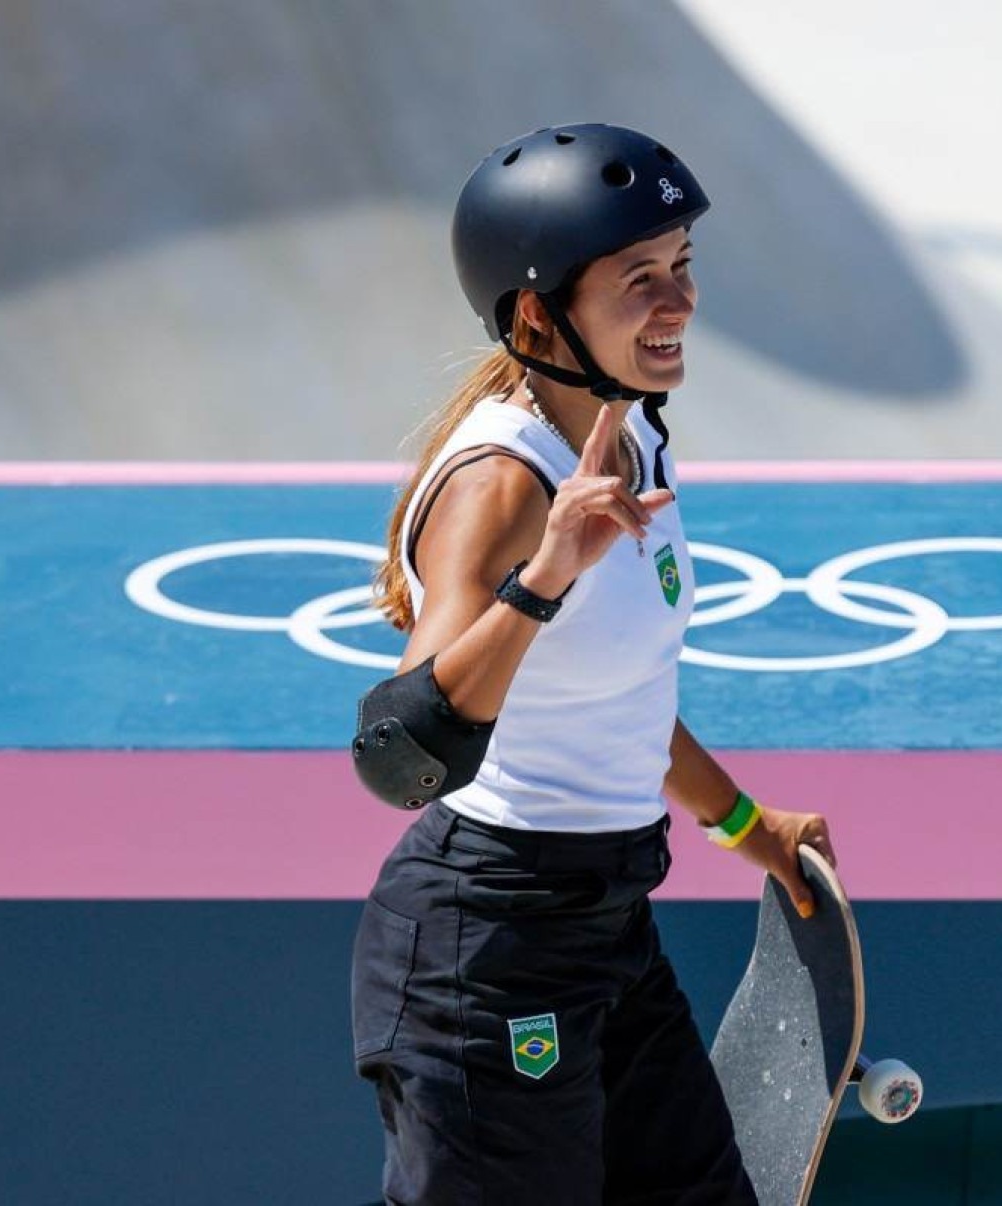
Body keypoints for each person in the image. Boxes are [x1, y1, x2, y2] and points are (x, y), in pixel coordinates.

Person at [349, 122, 834, 1205]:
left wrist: (749, 826)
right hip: (486, 948)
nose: (677, 304)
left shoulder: (628, 435)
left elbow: (617, 692)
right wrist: (546, 575)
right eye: (638, 279)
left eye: (682, 269)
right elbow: (401, 752)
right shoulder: (504, 484)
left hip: (606, 926)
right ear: (539, 312)